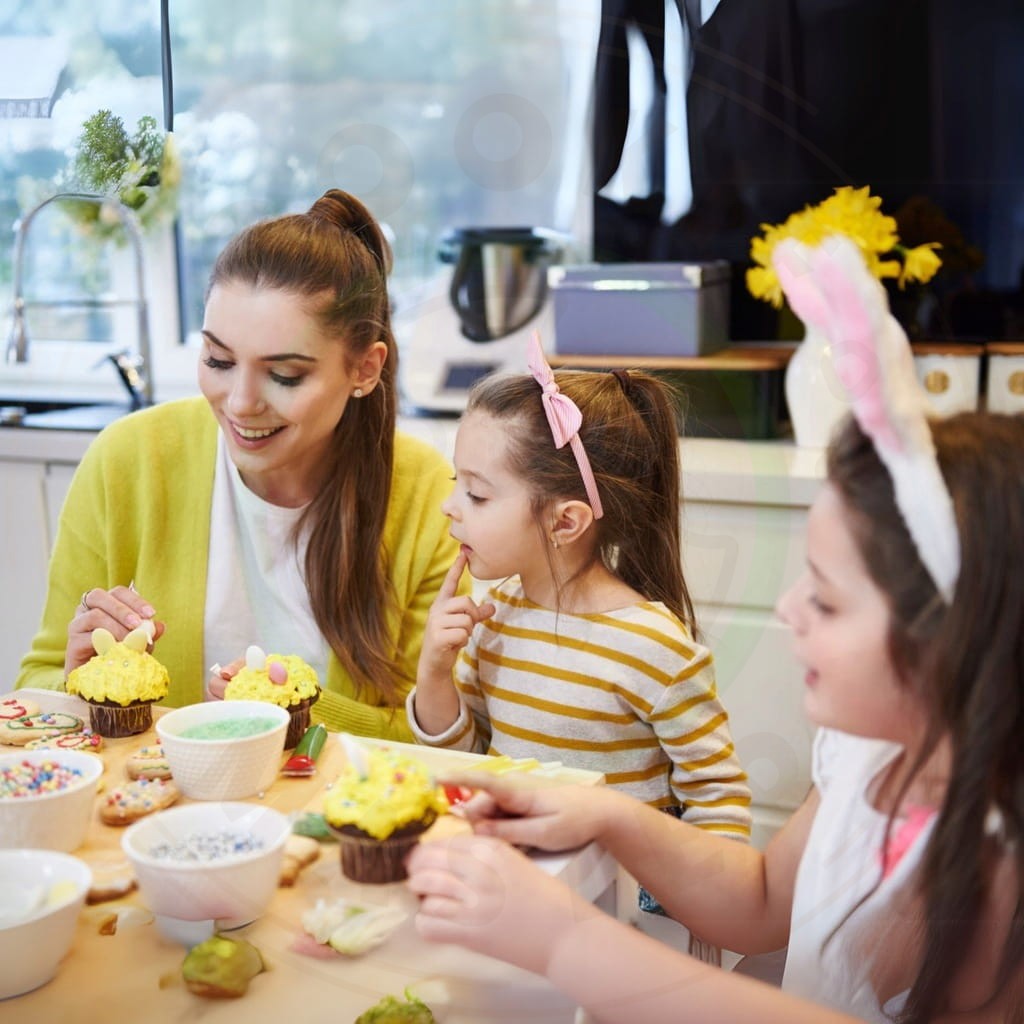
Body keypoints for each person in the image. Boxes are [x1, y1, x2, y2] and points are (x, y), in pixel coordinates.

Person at [406, 240, 1024, 1022]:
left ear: (948, 639)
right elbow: (761, 901)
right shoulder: (863, 762)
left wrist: (568, 940)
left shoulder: (998, 858)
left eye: (827, 599)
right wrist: (606, 814)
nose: (789, 607)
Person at [15, 189, 464, 739]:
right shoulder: (127, 460)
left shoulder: (427, 496)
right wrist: (78, 682)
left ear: (365, 369)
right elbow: (33, 685)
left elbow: (439, 736)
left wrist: (291, 708)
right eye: (219, 360)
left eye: (285, 376)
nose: (242, 402)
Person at [407, 333, 752, 844]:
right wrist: (435, 673)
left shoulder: (652, 647)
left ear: (565, 522)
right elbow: (467, 764)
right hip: (513, 873)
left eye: (476, 494)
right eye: (458, 484)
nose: (449, 506)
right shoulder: (495, 616)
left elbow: (718, 802)